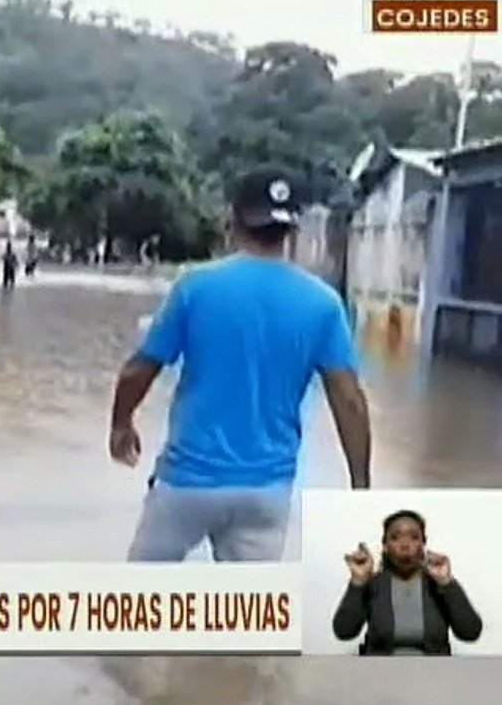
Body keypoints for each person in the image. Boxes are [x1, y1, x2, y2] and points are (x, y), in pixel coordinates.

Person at [108, 165, 371, 563]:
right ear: (293, 231)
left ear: (231, 220)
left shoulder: (195, 286)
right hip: (266, 492)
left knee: (137, 607)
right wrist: (360, 486)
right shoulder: (323, 304)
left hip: (186, 483)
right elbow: (348, 400)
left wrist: (121, 423)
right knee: (251, 617)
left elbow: (139, 369)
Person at [332, 510, 482, 655]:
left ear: (423, 544)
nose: (405, 544)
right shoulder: (374, 584)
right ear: (385, 545)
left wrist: (446, 582)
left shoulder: (436, 584)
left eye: (414, 537)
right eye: (395, 538)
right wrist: (358, 582)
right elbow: (344, 632)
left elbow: (470, 633)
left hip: (434, 674)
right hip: (380, 673)